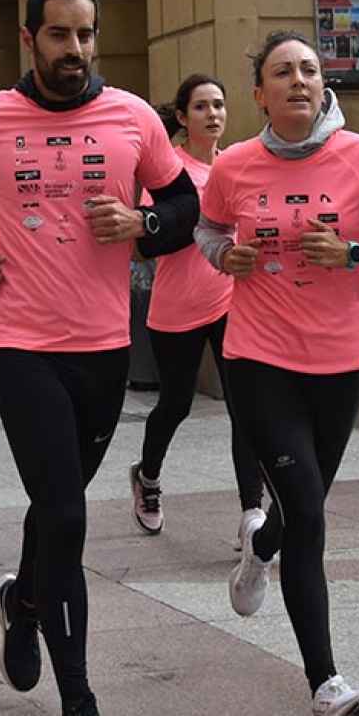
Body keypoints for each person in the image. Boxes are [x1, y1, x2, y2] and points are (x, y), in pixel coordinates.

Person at [0, 0, 200, 716]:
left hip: (105, 345)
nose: (73, 51)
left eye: (84, 36)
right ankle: (80, 710)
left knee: (58, 501)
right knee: (65, 512)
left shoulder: (135, 117)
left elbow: (184, 212)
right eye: (58, 35)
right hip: (20, 343)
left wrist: (143, 220)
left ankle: (24, 600)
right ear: (28, 39)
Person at [197, 30, 359, 716]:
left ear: (323, 83)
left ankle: (259, 547)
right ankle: (325, 684)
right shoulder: (233, 165)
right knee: (309, 515)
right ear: (259, 93)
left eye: (308, 69)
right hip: (259, 360)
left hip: (340, 362)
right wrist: (225, 257)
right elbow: (206, 235)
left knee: (299, 511)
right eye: (281, 72)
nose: (298, 80)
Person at [129, 73, 264, 548]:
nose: (214, 114)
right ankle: (147, 478)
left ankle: (253, 514)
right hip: (178, 307)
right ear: (183, 118)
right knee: (175, 404)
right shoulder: (170, 175)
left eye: (220, 105)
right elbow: (150, 242)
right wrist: (197, 222)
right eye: (202, 107)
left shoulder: (237, 167)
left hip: (232, 302)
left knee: (245, 409)